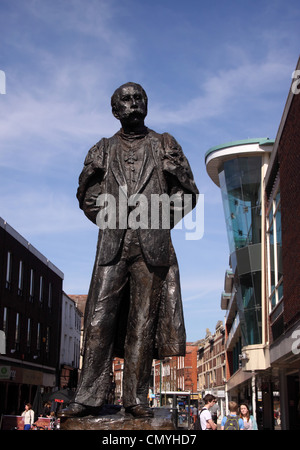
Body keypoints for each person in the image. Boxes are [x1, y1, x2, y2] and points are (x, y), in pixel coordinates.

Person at [62, 82, 199, 419]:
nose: (134, 103)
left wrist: (158, 219)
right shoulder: (103, 149)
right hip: (113, 245)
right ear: (115, 110)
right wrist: (109, 217)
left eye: (140, 98)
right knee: (97, 319)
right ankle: (89, 396)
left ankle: (135, 398)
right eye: (127, 99)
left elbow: (187, 192)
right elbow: (86, 195)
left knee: (142, 322)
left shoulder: (164, 144)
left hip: (151, 247)